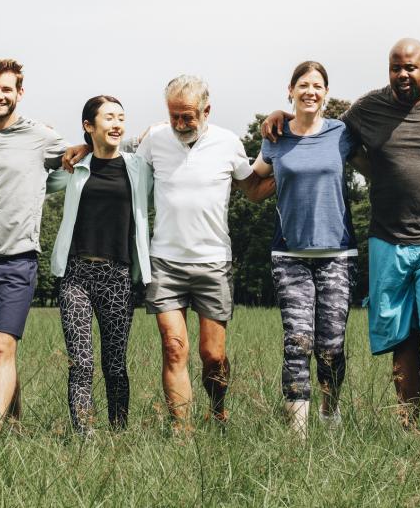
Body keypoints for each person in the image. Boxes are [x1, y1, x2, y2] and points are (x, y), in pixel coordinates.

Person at [264, 38, 420, 424]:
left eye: (410, 68)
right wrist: (280, 114)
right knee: (401, 335)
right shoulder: (367, 109)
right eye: (395, 68)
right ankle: (408, 422)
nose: (402, 74)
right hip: (387, 236)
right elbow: (319, 130)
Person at [135, 75, 274, 424]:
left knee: (212, 355)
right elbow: (123, 168)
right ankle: (182, 431)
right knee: (173, 348)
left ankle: (217, 411)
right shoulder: (153, 141)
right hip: (165, 263)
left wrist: (294, 166)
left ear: (206, 110)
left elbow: (254, 191)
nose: (180, 124)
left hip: (213, 263)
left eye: (188, 116)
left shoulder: (228, 143)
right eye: (173, 116)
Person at [251, 61, 365, 435]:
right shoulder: (276, 136)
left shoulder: (342, 134)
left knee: (331, 347)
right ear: (291, 90)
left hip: (337, 253)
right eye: (303, 85)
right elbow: (251, 182)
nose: (310, 91)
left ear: (326, 94)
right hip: (289, 255)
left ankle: (329, 416)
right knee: (297, 342)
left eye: (317, 85)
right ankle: (297, 435)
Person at [47, 96, 152, 434]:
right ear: (89, 125)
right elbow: (38, 178)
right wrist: (76, 149)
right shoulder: (74, 168)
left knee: (115, 364)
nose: (117, 123)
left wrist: (85, 142)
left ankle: (118, 433)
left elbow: (161, 131)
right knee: (81, 362)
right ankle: (86, 435)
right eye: (108, 118)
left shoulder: (138, 167)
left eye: (121, 117)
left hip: (117, 275)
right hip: (75, 275)